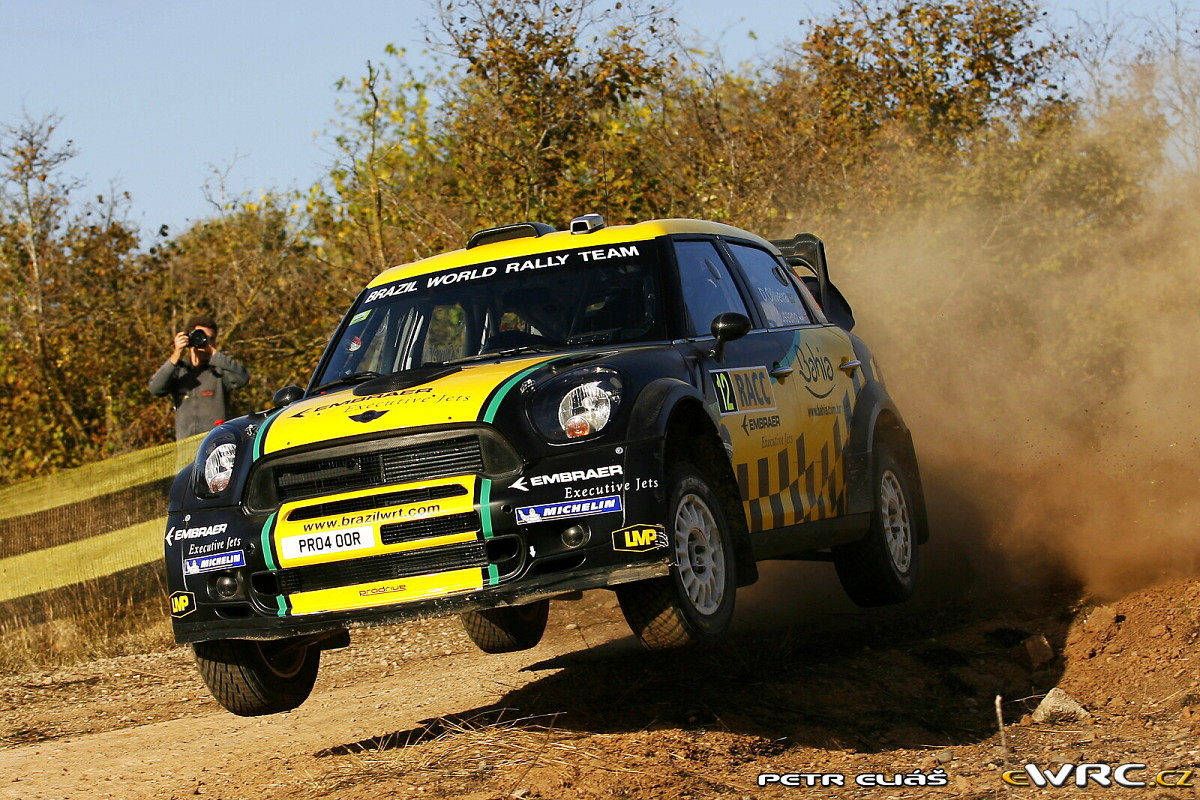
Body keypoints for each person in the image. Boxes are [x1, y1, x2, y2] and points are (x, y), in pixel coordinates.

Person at [149, 315, 250, 440]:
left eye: (211, 339)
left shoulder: (219, 372)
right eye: (201, 337)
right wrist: (176, 353)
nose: (205, 342)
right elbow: (156, 388)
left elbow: (243, 378)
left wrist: (213, 353)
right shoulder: (179, 371)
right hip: (186, 449)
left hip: (216, 446)